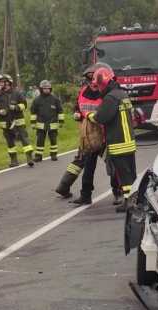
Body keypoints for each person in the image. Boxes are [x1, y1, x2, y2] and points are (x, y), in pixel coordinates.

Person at [55, 63, 122, 205]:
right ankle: (85, 195)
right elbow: (78, 108)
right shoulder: (83, 92)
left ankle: (118, 193)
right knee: (88, 166)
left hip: (105, 136)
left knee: (113, 165)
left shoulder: (109, 94)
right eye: (90, 79)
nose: (93, 83)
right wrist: (77, 114)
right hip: (89, 137)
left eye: (96, 79)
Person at [85, 67, 137, 212]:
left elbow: (101, 117)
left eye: (98, 85)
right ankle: (133, 198)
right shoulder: (122, 94)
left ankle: (130, 202)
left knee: (123, 175)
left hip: (118, 142)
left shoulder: (110, 98)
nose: (98, 88)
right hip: (129, 142)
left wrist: (89, 115)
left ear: (103, 82)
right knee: (130, 172)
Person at [0, 74, 34, 167]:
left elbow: (24, 105)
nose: (0, 84)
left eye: (2, 82)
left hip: (18, 121)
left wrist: (15, 107)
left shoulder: (17, 93)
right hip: (5, 122)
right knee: (10, 142)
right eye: (0, 82)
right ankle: (14, 161)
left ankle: (29, 158)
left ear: (8, 82)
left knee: (24, 139)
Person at [30, 80, 64, 162]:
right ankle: (38, 156)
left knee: (53, 140)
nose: (46, 90)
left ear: (50, 89)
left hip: (53, 124)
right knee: (40, 141)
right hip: (41, 124)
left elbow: (60, 111)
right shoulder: (37, 100)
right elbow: (33, 112)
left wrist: (61, 121)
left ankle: (53, 155)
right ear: (41, 89)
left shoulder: (55, 99)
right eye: (44, 89)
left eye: (48, 88)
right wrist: (33, 123)